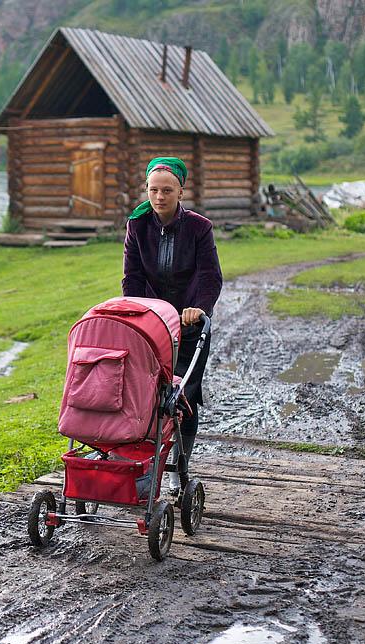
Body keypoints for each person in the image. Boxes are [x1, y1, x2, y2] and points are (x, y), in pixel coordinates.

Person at [122, 156, 223, 495]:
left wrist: (200, 308)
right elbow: (132, 276)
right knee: (147, 395)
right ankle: (149, 468)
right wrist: (136, 312)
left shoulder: (199, 228)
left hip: (189, 323)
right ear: (146, 190)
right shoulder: (137, 226)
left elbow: (211, 277)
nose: (159, 197)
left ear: (181, 190)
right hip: (153, 326)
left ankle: (180, 469)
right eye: (153, 190)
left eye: (167, 190)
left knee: (184, 396)